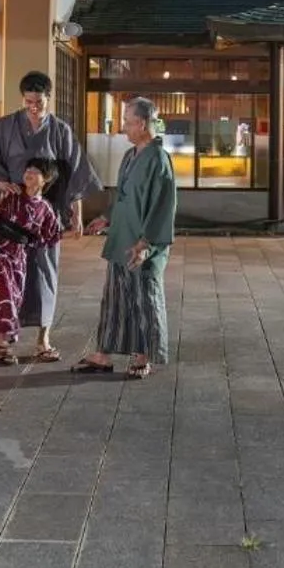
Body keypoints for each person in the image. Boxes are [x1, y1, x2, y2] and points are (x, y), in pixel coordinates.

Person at [0, 69, 98, 363]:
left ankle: (43, 340)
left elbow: (74, 172)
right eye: (28, 102)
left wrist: (76, 212)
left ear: (48, 98)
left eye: (39, 102)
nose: (33, 107)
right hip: (12, 214)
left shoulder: (60, 130)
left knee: (45, 273)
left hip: (45, 213)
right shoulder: (4, 127)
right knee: (3, 276)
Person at [76, 97, 177, 379]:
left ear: (142, 124)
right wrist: (106, 217)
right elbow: (123, 195)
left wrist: (147, 243)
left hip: (141, 243)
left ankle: (143, 355)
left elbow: (162, 206)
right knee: (114, 299)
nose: (123, 128)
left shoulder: (158, 159)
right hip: (122, 238)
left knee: (143, 299)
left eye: (127, 122)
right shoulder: (131, 155)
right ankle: (103, 354)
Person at [0, 157, 65, 364]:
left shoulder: (45, 208)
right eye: (27, 170)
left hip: (19, 254)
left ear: (46, 179)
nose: (28, 174)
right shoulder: (12, 195)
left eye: (35, 172)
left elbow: (51, 234)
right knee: (3, 292)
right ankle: (3, 344)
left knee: (15, 296)